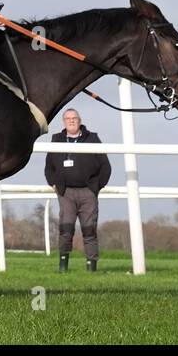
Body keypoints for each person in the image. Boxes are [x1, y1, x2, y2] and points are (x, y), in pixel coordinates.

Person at [44, 108, 112, 272]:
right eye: (68, 119)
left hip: (88, 192)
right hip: (66, 192)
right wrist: (54, 184)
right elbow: (49, 167)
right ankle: (63, 267)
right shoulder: (56, 139)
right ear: (64, 122)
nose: (71, 121)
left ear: (79, 120)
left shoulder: (92, 138)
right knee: (66, 229)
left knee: (89, 230)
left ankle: (91, 267)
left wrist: (96, 187)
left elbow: (105, 166)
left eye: (74, 118)